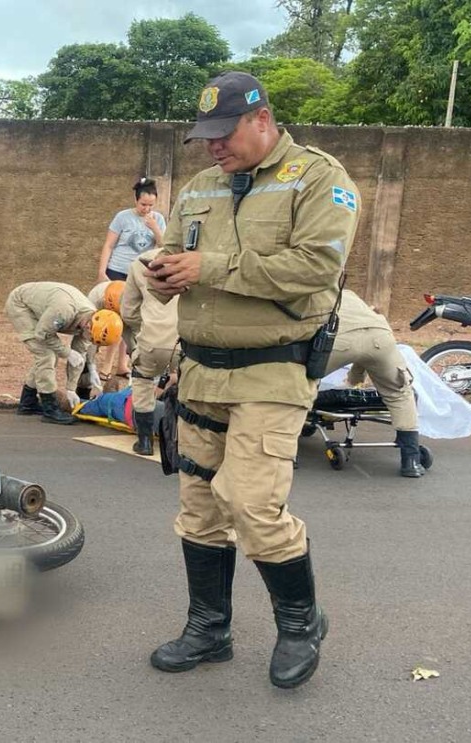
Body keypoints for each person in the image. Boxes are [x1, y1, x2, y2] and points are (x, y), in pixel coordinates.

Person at [144, 71, 360, 688]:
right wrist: (163, 272)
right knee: (200, 506)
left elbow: (316, 267)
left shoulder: (317, 178)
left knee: (252, 502)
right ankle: (209, 628)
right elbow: (172, 252)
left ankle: (300, 623)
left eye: (224, 132)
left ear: (262, 119)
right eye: (205, 136)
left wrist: (207, 267)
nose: (213, 146)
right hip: (203, 370)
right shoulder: (200, 187)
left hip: (274, 368)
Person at [328, 289, 424, 477]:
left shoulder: (322, 292)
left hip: (341, 338)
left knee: (303, 381)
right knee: (400, 393)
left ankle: (289, 452)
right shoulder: (354, 297)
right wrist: (355, 380)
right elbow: (365, 350)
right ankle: (411, 461)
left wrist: (350, 382)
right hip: (381, 337)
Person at [4, 281, 124, 425]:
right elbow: (43, 334)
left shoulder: (91, 322)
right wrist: (67, 353)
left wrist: (71, 388)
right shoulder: (64, 311)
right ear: (88, 326)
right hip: (22, 305)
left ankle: (27, 403)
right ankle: (50, 409)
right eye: (92, 338)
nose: (91, 340)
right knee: (46, 355)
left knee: (52, 354)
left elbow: (79, 355)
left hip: (48, 311)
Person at [121, 248, 179, 456]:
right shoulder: (189, 259)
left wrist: (141, 330)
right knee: (189, 387)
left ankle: (145, 442)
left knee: (142, 380)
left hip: (151, 337)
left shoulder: (138, 262)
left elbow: (128, 310)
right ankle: (180, 442)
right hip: (184, 337)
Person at [98, 177, 166, 283]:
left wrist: (155, 228)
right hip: (117, 270)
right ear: (136, 199)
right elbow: (109, 245)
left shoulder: (158, 219)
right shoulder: (122, 217)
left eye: (151, 205)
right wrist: (102, 272)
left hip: (142, 272)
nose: (147, 209)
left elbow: (164, 246)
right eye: (143, 204)